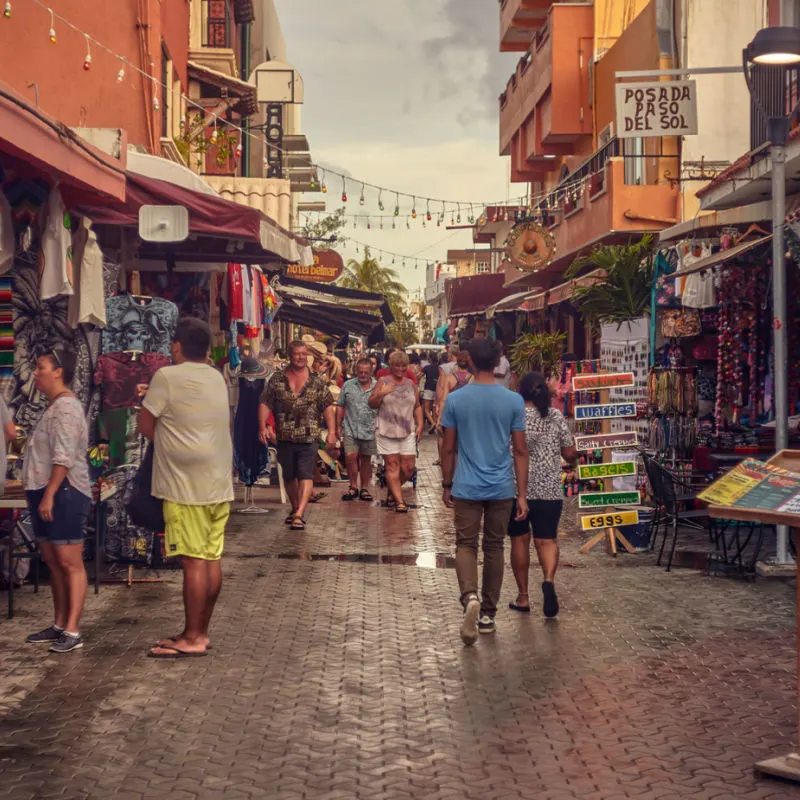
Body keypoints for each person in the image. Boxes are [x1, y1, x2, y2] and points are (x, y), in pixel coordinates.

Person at [139, 318, 233, 658]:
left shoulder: (166, 376)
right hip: (218, 481)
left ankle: (192, 637)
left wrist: (170, 444)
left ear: (176, 346)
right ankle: (199, 631)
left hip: (185, 485)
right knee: (211, 558)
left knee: (193, 562)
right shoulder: (217, 378)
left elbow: (145, 423)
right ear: (206, 349)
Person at [440, 338, 529, 646]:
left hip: (466, 485)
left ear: (471, 363)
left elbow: (448, 447)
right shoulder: (513, 401)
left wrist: (446, 483)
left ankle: (470, 596)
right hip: (502, 486)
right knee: (494, 547)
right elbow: (519, 450)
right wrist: (521, 494)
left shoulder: (456, 400)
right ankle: (488, 614)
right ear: (498, 361)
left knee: (465, 544)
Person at [23, 345, 92, 654]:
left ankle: (73, 630)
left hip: (64, 492)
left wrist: (49, 494)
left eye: (41, 368)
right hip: (45, 490)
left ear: (58, 371)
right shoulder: (53, 407)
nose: (36, 374)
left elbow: (63, 457)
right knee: (53, 562)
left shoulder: (66, 408)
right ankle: (60, 623)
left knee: (69, 562)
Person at [508, 372, 576, 619]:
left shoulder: (514, 417)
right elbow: (569, 452)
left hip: (517, 488)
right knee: (547, 540)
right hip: (549, 489)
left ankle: (523, 597)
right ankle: (548, 580)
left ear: (521, 392)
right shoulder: (556, 416)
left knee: (519, 540)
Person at [259, 340, 337, 530]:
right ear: (290, 356)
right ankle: (295, 509)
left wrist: (332, 432)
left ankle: (300, 513)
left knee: (305, 474)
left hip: (309, 436)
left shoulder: (316, 381)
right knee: (289, 476)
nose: (301, 357)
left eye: (304, 354)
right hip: (284, 436)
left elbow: (327, 407)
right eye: (297, 354)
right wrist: (262, 426)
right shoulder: (277, 379)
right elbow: (265, 403)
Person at [369, 350, 424, 513]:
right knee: (392, 466)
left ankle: (393, 490)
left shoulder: (410, 384)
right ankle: (400, 502)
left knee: (408, 468)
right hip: (386, 430)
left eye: (403, 366)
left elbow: (417, 406)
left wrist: (420, 424)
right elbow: (371, 403)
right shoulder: (382, 381)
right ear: (390, 366)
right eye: (397, 365)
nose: (400, 369)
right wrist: (381, 393)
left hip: (407, 430)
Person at [336, 357, 378, 502]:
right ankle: (353, 486)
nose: (363, 375)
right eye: (360, 372)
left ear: (371, 372)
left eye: (366, 372)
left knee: (366, 459)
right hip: (350, 427)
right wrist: (337, 425)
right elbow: (340, 405)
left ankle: (364, 488)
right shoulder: (348, 385)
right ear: (356, 371)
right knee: (350, 456)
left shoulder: (377, 386)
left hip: (370, 429)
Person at [421, 352, 439, 432]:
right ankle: (436, 424)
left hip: (428, 389)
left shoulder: (426, 368)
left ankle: (433, 423)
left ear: (430, 359)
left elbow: (418, 376)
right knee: (435, 409)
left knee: (426, 409)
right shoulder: (440, 368)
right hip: (437, 390)